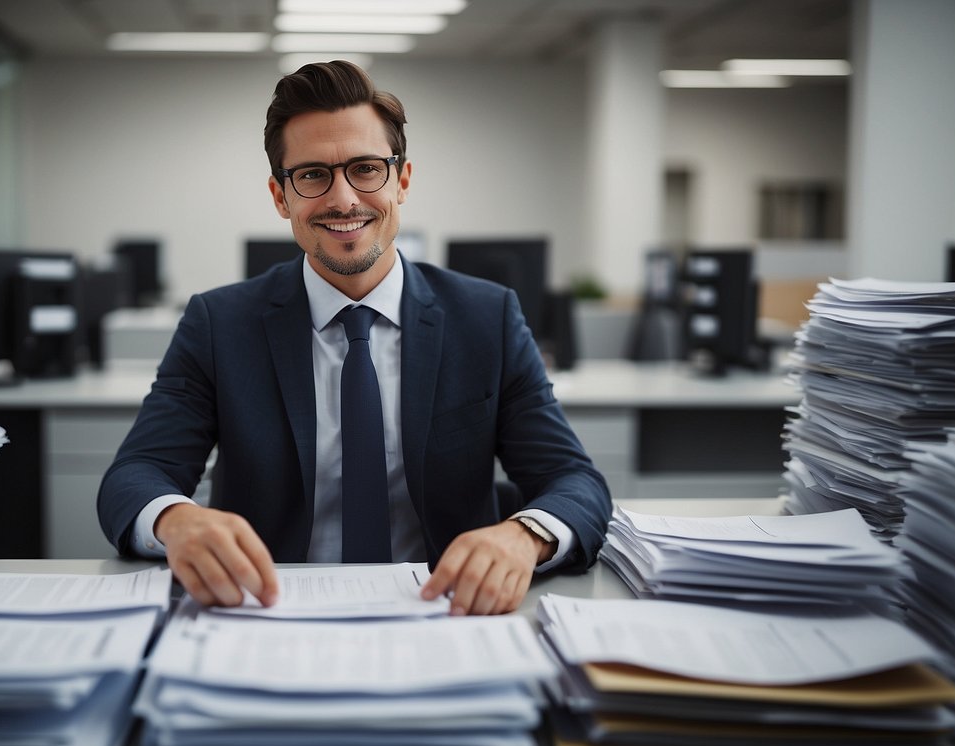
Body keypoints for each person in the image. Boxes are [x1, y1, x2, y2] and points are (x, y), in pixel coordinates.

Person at [97, 60, 611, 615]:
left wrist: (523, 536)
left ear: (402, 180)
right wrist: (177, 520)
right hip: (266, 612)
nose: (343, 199)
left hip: (446, 611)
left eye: (367, 168)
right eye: (313, 174)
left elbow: (572, 479)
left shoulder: (485, 317)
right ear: (280, 196)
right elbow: (133, 476)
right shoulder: (220, 324)